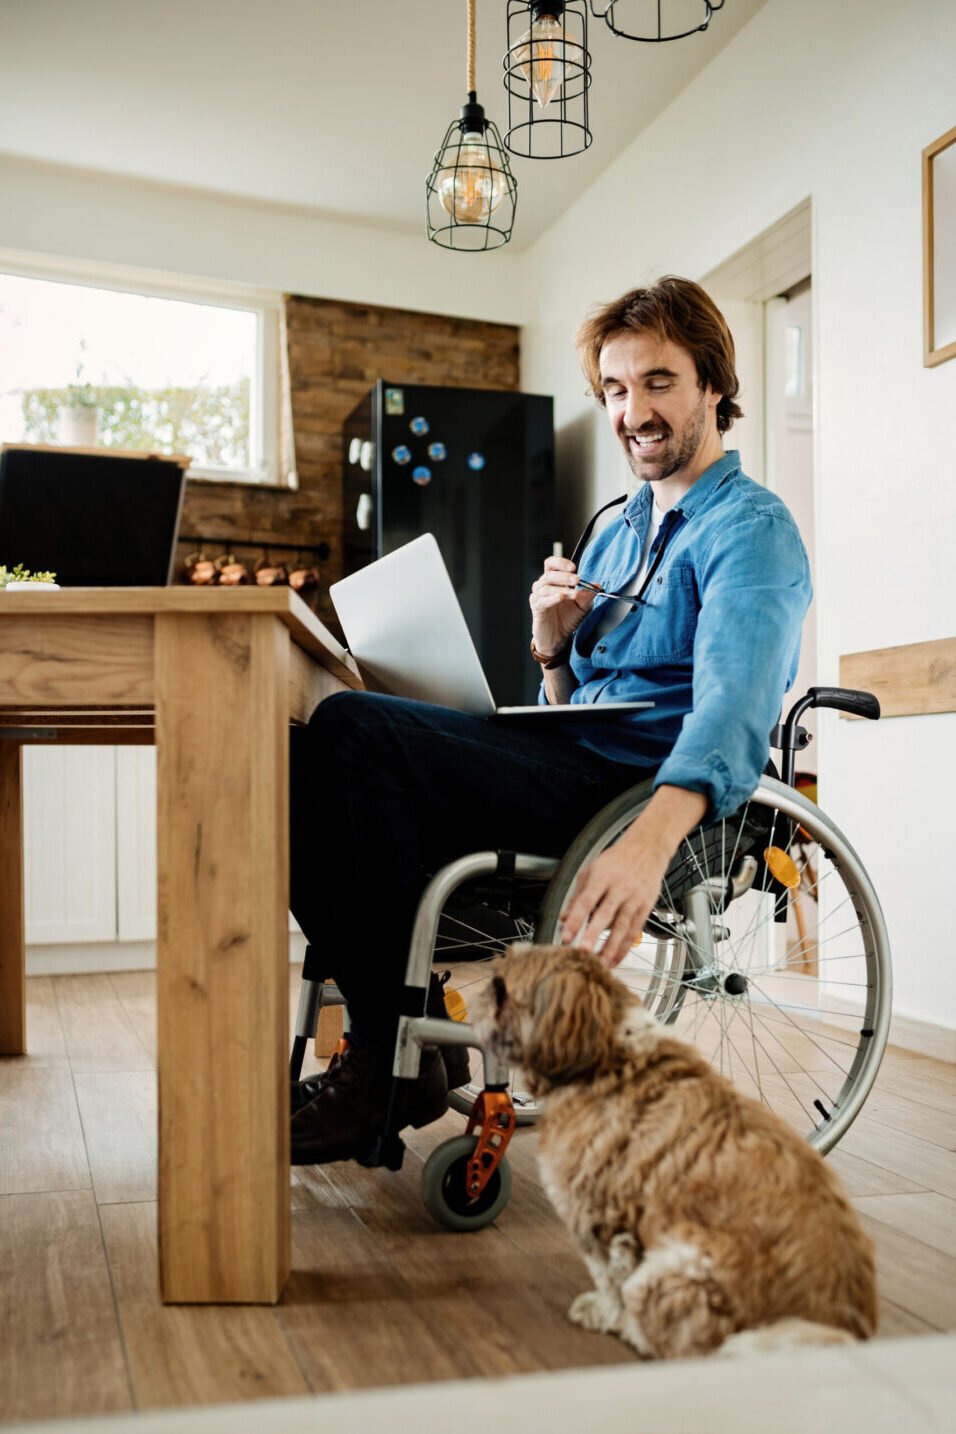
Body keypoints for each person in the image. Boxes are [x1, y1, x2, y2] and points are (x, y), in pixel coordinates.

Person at [289, 275, 812, 1165]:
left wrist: (646, 846)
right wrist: (550, 646)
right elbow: (575, 706)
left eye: (657, 382)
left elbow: (732, 710)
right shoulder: (615, 527)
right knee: (304, 761)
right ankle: (398, 1039)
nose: (631, 411)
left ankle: (387, 1056)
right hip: (575, 759)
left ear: (713, 387)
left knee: (351, 731)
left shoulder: (752, 529)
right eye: (614, 389)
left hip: (637, 788)